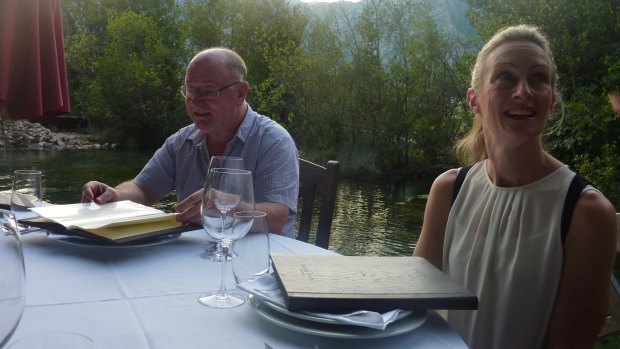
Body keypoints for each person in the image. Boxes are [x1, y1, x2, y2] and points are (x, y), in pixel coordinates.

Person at [413, 25, 617, 348]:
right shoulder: (448, 192)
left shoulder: (586, 214)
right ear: (474, 100)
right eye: (505, 77)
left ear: (550, 102)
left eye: (538, 79)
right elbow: (414, 308)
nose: (524, 91)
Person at [81, 48, 299, 237]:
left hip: (260, 265)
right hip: (197, 260)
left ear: (240, 93)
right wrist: (115, 196)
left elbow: (277, 219)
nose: (195, 101)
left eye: (207, 92)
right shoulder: (182, 142)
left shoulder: (273, 141)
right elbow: (143, 189)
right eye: (190, 91)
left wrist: (226, 206)